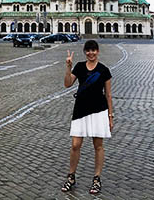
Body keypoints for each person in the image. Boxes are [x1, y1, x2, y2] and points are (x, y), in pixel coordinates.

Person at [61, 40, 113, 194]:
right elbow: (67, 84)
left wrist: (110, 116)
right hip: (80, 110)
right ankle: (71, 176)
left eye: (94, 50)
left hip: (99, 111)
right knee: (75, 145)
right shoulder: (79, 67)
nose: (91, 53)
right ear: (85, 52)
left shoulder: (104, 70)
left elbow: (109, 95)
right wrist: (68, 67)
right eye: (88, 50)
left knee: (98, 146)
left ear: (98, 51)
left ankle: (97, 179)